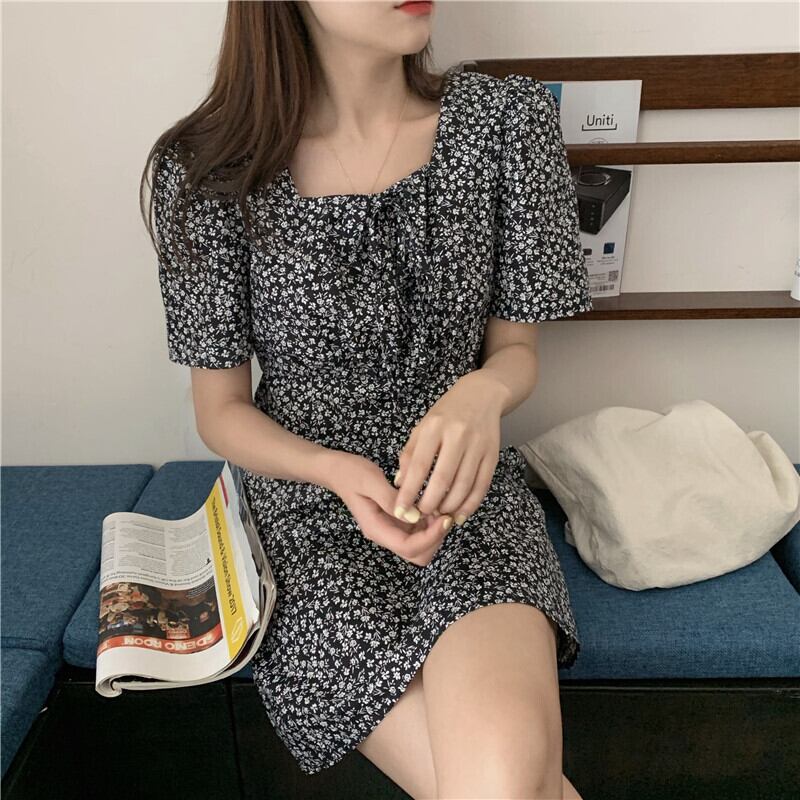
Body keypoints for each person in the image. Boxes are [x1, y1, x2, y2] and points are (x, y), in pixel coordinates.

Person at [141, 2, 592, 798]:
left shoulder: (504, 123)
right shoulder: (209, 168)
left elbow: (516, 351)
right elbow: (220, 410)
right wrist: (335, 471)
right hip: (307, 513)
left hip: (465, 493)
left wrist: (481, 394)